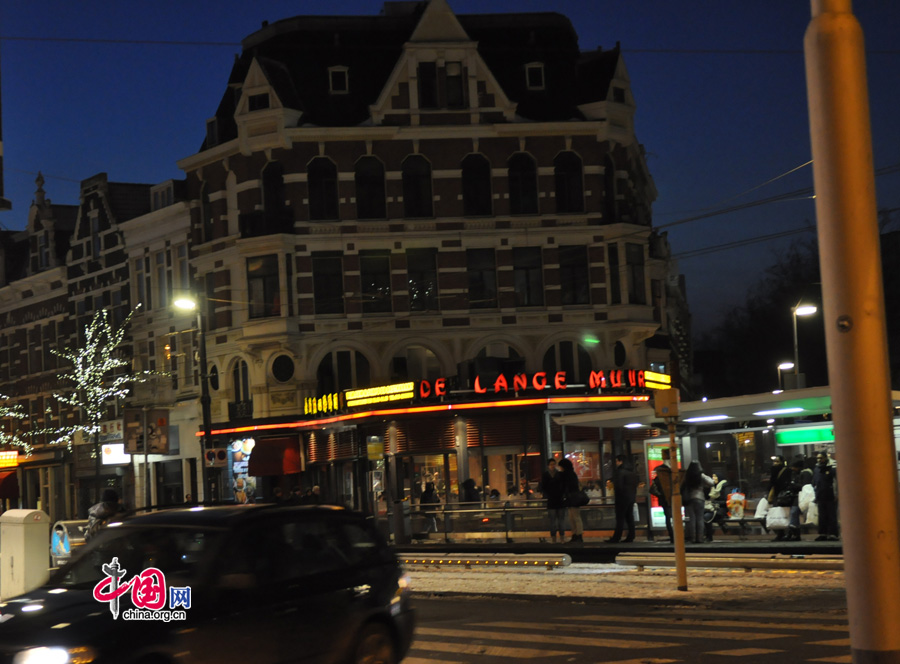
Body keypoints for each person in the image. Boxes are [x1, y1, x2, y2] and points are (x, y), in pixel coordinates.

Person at [607, 454, 638, 543]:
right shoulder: (631, 472)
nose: (616, 463)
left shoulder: (620, 472)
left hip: (622, 498)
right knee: (629, 517)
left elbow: (619, 486)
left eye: (617, 461)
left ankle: (617, 537)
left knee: (620, 518)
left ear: (620, 461)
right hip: (631, 497)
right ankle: (631, 536)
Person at [681, 461, 714, 544]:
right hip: (700, 498)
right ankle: (700, 538)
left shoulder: (687, 476)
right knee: (699, 518)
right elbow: (711, 483)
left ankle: (693, 538)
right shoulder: (701, 475)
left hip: (689, 499)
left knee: (692, 519)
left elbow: (681, 486)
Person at [813, 451, 839, 541]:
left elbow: (836, 482)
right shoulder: (816, 469)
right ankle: (823, 533)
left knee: (831, 515)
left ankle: (833, 533)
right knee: (822, 515)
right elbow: (815, 482)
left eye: (821, 458)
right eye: (818, 458)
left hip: (830, 495)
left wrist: (837, 494)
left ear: (825, 458)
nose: (819, 460)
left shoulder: (832, 468)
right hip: (820, 495)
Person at [540, 457, 567, 543]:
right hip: (553, 500)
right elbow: (543, 487)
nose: (553, 466)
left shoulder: (558, 475)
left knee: (559, 521)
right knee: (554, 521)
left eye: (554, 464)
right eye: (551, 464)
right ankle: (554, 538)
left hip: (557, 500)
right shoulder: (547, 475)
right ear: (548, 466)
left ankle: (561, 537)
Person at [558, 457, 584, 543]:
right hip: (573, 498)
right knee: (574, 517)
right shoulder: (572, 474)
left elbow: (565, 487)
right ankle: (577, 535)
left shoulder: (566, 475)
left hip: (572, 498)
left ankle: (577, 535)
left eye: (561, 466)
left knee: (574, 517)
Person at [651, 449, 675, 542]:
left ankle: (672, 535)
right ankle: (675, 535)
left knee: (668, 517)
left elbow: (655, 484)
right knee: (674, 517)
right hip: (672, 497)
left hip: (664, 498)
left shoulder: (659, 470)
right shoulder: (674, 469)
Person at [768, 455, 793, 541]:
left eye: (777, 461)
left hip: (784, 496)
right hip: (776, 495)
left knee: (785, 514)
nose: (775, 463)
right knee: (777, 514)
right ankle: (780, 533)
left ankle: (788, 533)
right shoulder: (773, 471)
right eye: (774, 461)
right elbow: (772, 483)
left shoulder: (786, 470)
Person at [704, 473, 729, 542]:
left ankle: (709, 537)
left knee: (706, 516)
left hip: (721, 509)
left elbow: (726, 501)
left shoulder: (724, 487)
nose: (713, 478)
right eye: (712, 477)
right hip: (713, 508)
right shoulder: (713, 487)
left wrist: (715, 503)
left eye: (715, 477)